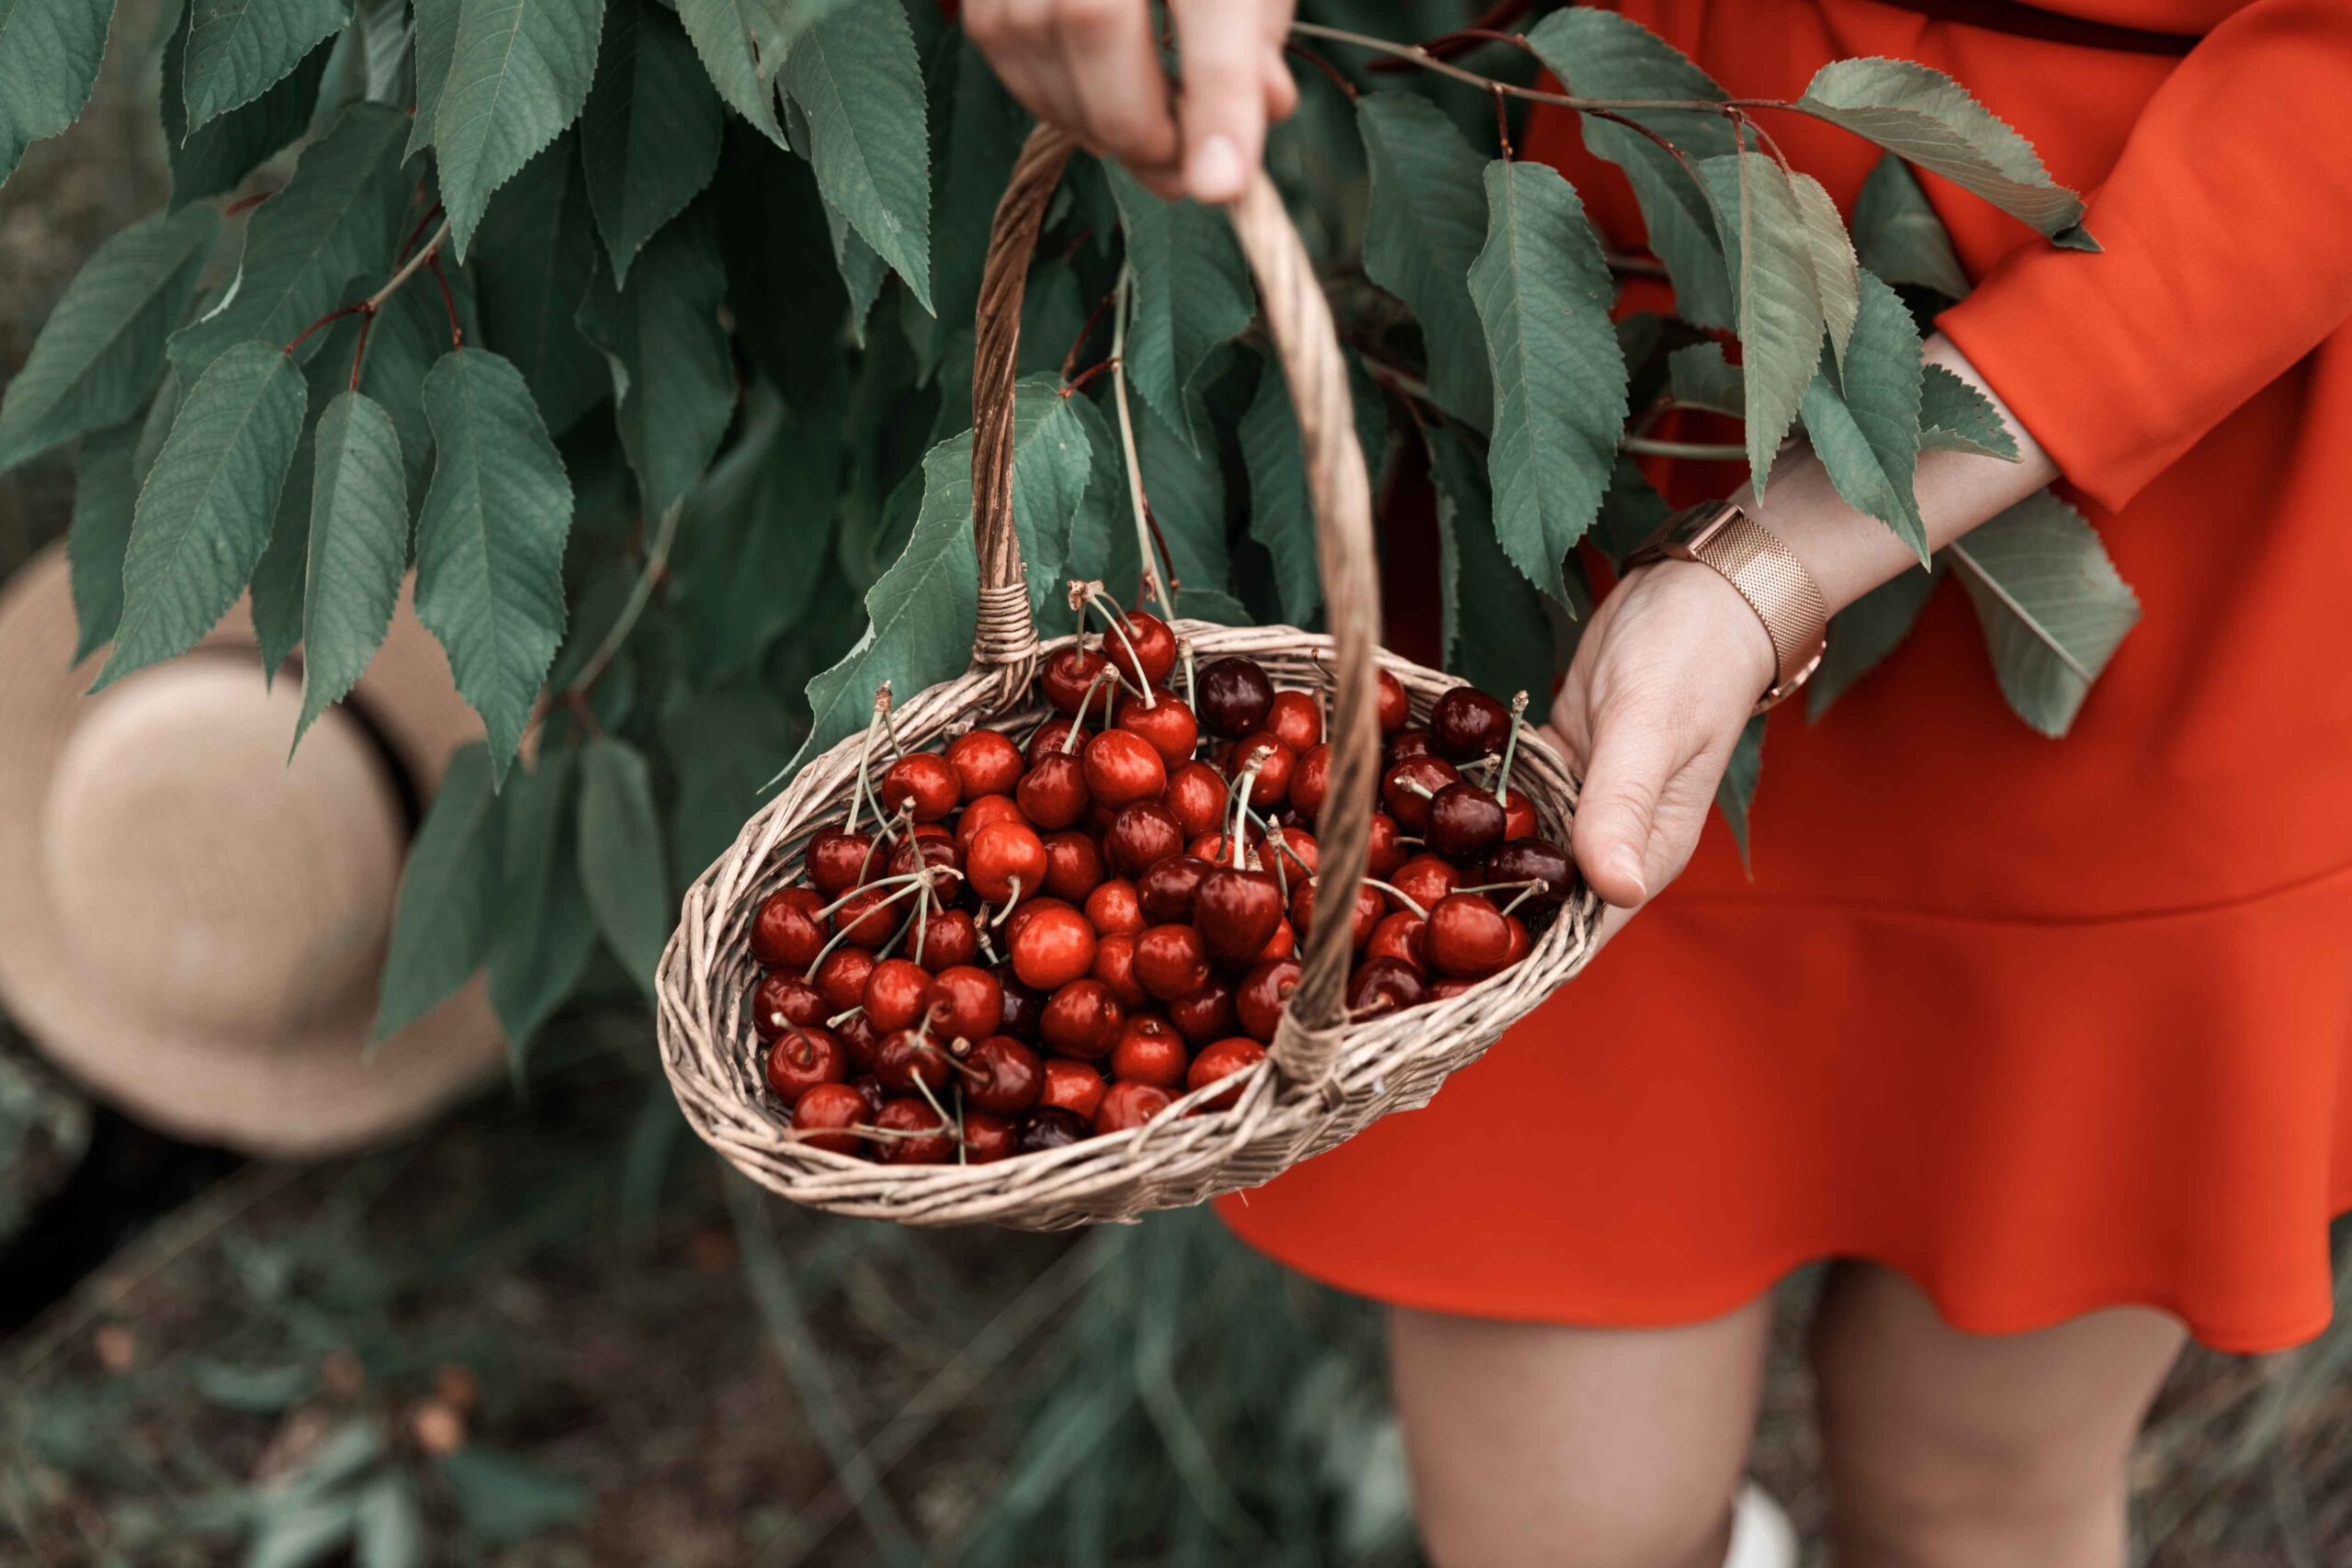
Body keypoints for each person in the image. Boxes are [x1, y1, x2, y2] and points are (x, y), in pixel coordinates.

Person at [964, 1, 2352, 1563]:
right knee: (1566, 1515)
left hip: (2153, 441)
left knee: (1978, 1490)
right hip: (1592, 397)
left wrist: (1784, 563)